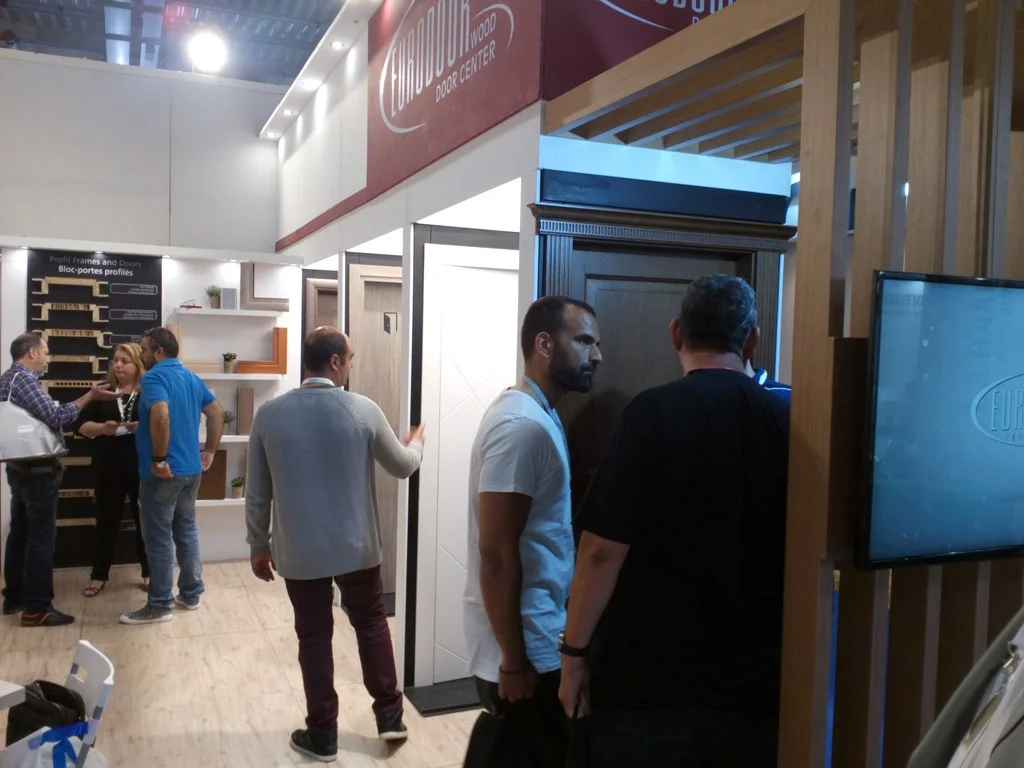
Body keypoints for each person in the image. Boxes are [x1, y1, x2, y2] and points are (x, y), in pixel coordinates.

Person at [558, 275, 790, 767]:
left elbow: (601, 551)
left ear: (676, 334)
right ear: (752, 340)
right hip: (756, 688)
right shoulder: (784, 420)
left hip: (652, 690)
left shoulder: (651, 414)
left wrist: (573, 655)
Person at [245, 327, 425, 763]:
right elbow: (403, 466)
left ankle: (322, 733)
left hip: (299, 551)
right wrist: (416, 443)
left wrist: (258, 544)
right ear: (334, 362)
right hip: (356, 547)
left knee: (313, 636)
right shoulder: (362, 409)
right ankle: (390, 716)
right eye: (350, 358)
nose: (350, 365)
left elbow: (257, 492)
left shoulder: (268, 415)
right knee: (371, 623)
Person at [463, 296, 602, 768]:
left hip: (538, 636)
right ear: (544, 344)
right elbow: (496, 554)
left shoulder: (538, 415)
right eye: (584, 341)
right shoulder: (521, 425)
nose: (597, 355)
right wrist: (513, 660)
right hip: (526, 648)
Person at [1, 332, 118, 627]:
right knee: (41, 539)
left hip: (19, 466)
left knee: (20, 533)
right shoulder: (24, 380)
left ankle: (14, 597)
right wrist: (90, 396)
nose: (48, 359)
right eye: (45, 352)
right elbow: (57, 417)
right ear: (31, 353)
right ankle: (37, 609)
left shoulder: (8, 379)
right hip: (37, 471)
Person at [119, 327, 222, 626]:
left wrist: (159, 460)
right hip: (191, 471)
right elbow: (216, 412)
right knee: (186, 531)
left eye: (144, 349)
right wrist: (210, 451)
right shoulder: (191, 377)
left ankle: (160, 604)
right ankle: (191, 594)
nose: (141, 354)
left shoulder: (153, 377)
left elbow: (162, 415)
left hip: (164, 473)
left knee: (159, 538)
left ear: (159, 352)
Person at [78, 343, 149, 597]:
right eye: (116, 360)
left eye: (125, 361)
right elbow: (81, 427)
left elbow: (163, 425)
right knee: (106, 522)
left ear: (137, 365)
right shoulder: (103, 391)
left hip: (140, 464)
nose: (118, 365)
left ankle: (149, 572)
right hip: (108, 464)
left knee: (145, 522)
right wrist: (102, 429)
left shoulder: (149, 391)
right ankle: (98, 575)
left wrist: (141, 427)